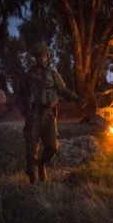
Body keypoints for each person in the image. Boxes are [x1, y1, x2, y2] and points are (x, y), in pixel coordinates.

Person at [16, 42, 84, 184]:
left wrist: (77, 99)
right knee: (30, 151)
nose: (40, 59)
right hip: (33, 117)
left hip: (48, 117)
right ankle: (33, 181)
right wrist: (23, 109)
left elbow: (64, 91)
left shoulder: (53, 74)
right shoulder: (28, 75)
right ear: (35, 58)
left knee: (53, 147)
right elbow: (19, 94)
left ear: (47, 56)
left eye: (43, 56)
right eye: (38, 56)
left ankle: (41, 164)